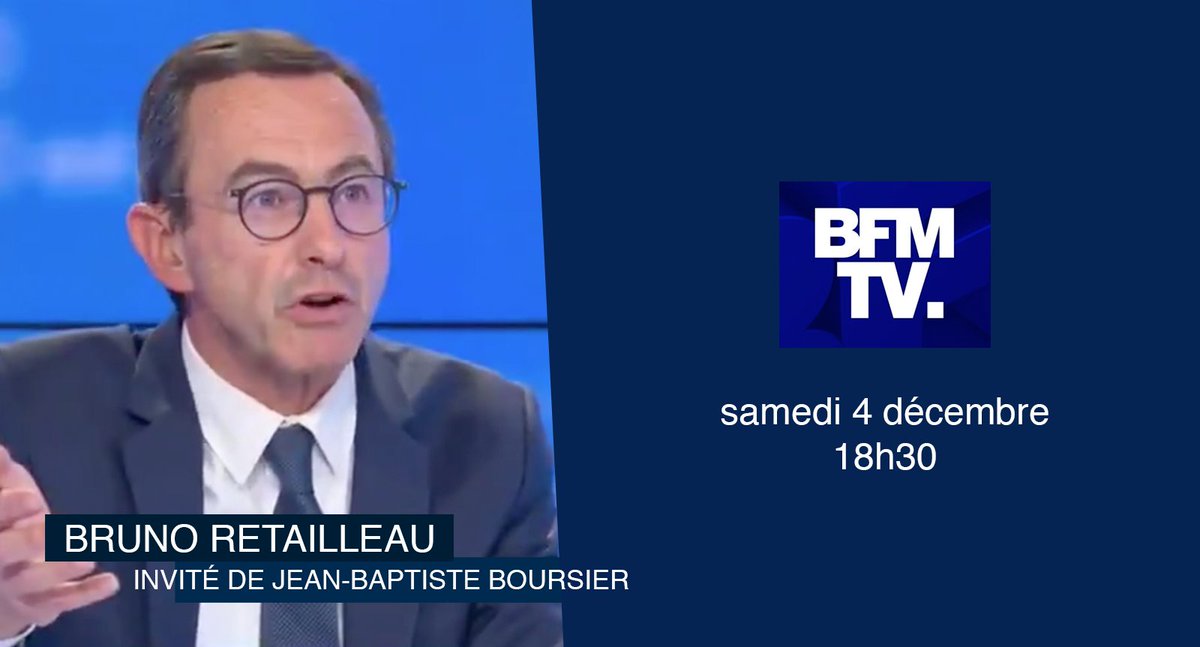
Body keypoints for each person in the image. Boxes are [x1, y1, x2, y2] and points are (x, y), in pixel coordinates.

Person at [0, 29, 560, 647]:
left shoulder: (485, 437)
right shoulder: (29, 421)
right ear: (167, 245)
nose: (328, 245)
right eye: (267, 199)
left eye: (354, 193)